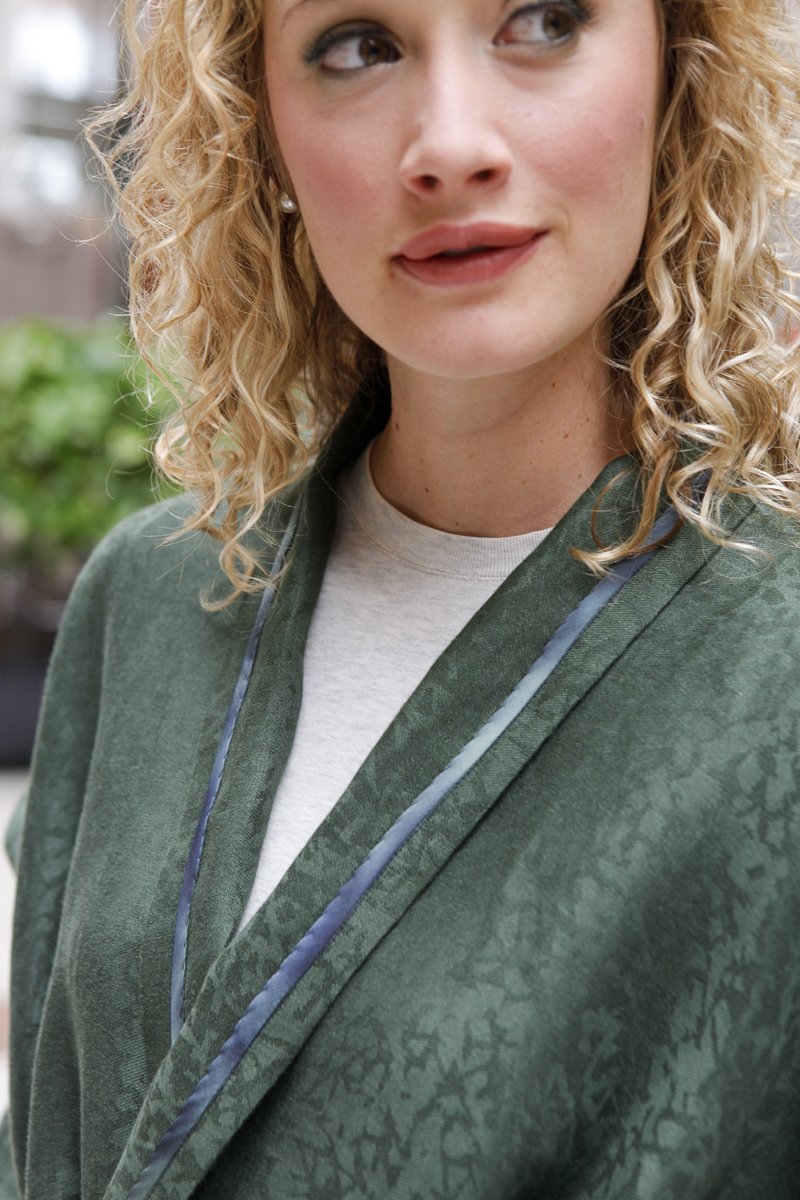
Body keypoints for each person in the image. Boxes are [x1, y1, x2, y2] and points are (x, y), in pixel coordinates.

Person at [2, 0, 800, 1196]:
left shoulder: (772, 657)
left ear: (674, 74)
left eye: (541, 20)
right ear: (261, 131)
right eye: (357, 45)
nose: (448, 144)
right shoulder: (152, 602)